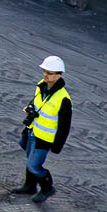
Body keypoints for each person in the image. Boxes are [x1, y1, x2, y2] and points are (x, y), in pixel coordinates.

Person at [15, 55, 73, 202]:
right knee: (30, 159)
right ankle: (30, 186)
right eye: (45, 72)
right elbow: (37, 101)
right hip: (32, 131)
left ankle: (47, 188)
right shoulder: (41, 85)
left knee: (34, 165)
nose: (46, 75)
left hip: (45, 138)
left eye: (50, 73)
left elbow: (64, 126)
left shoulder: (63, 99)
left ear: (59, 75)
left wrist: (57, 146)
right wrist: (30, 107)